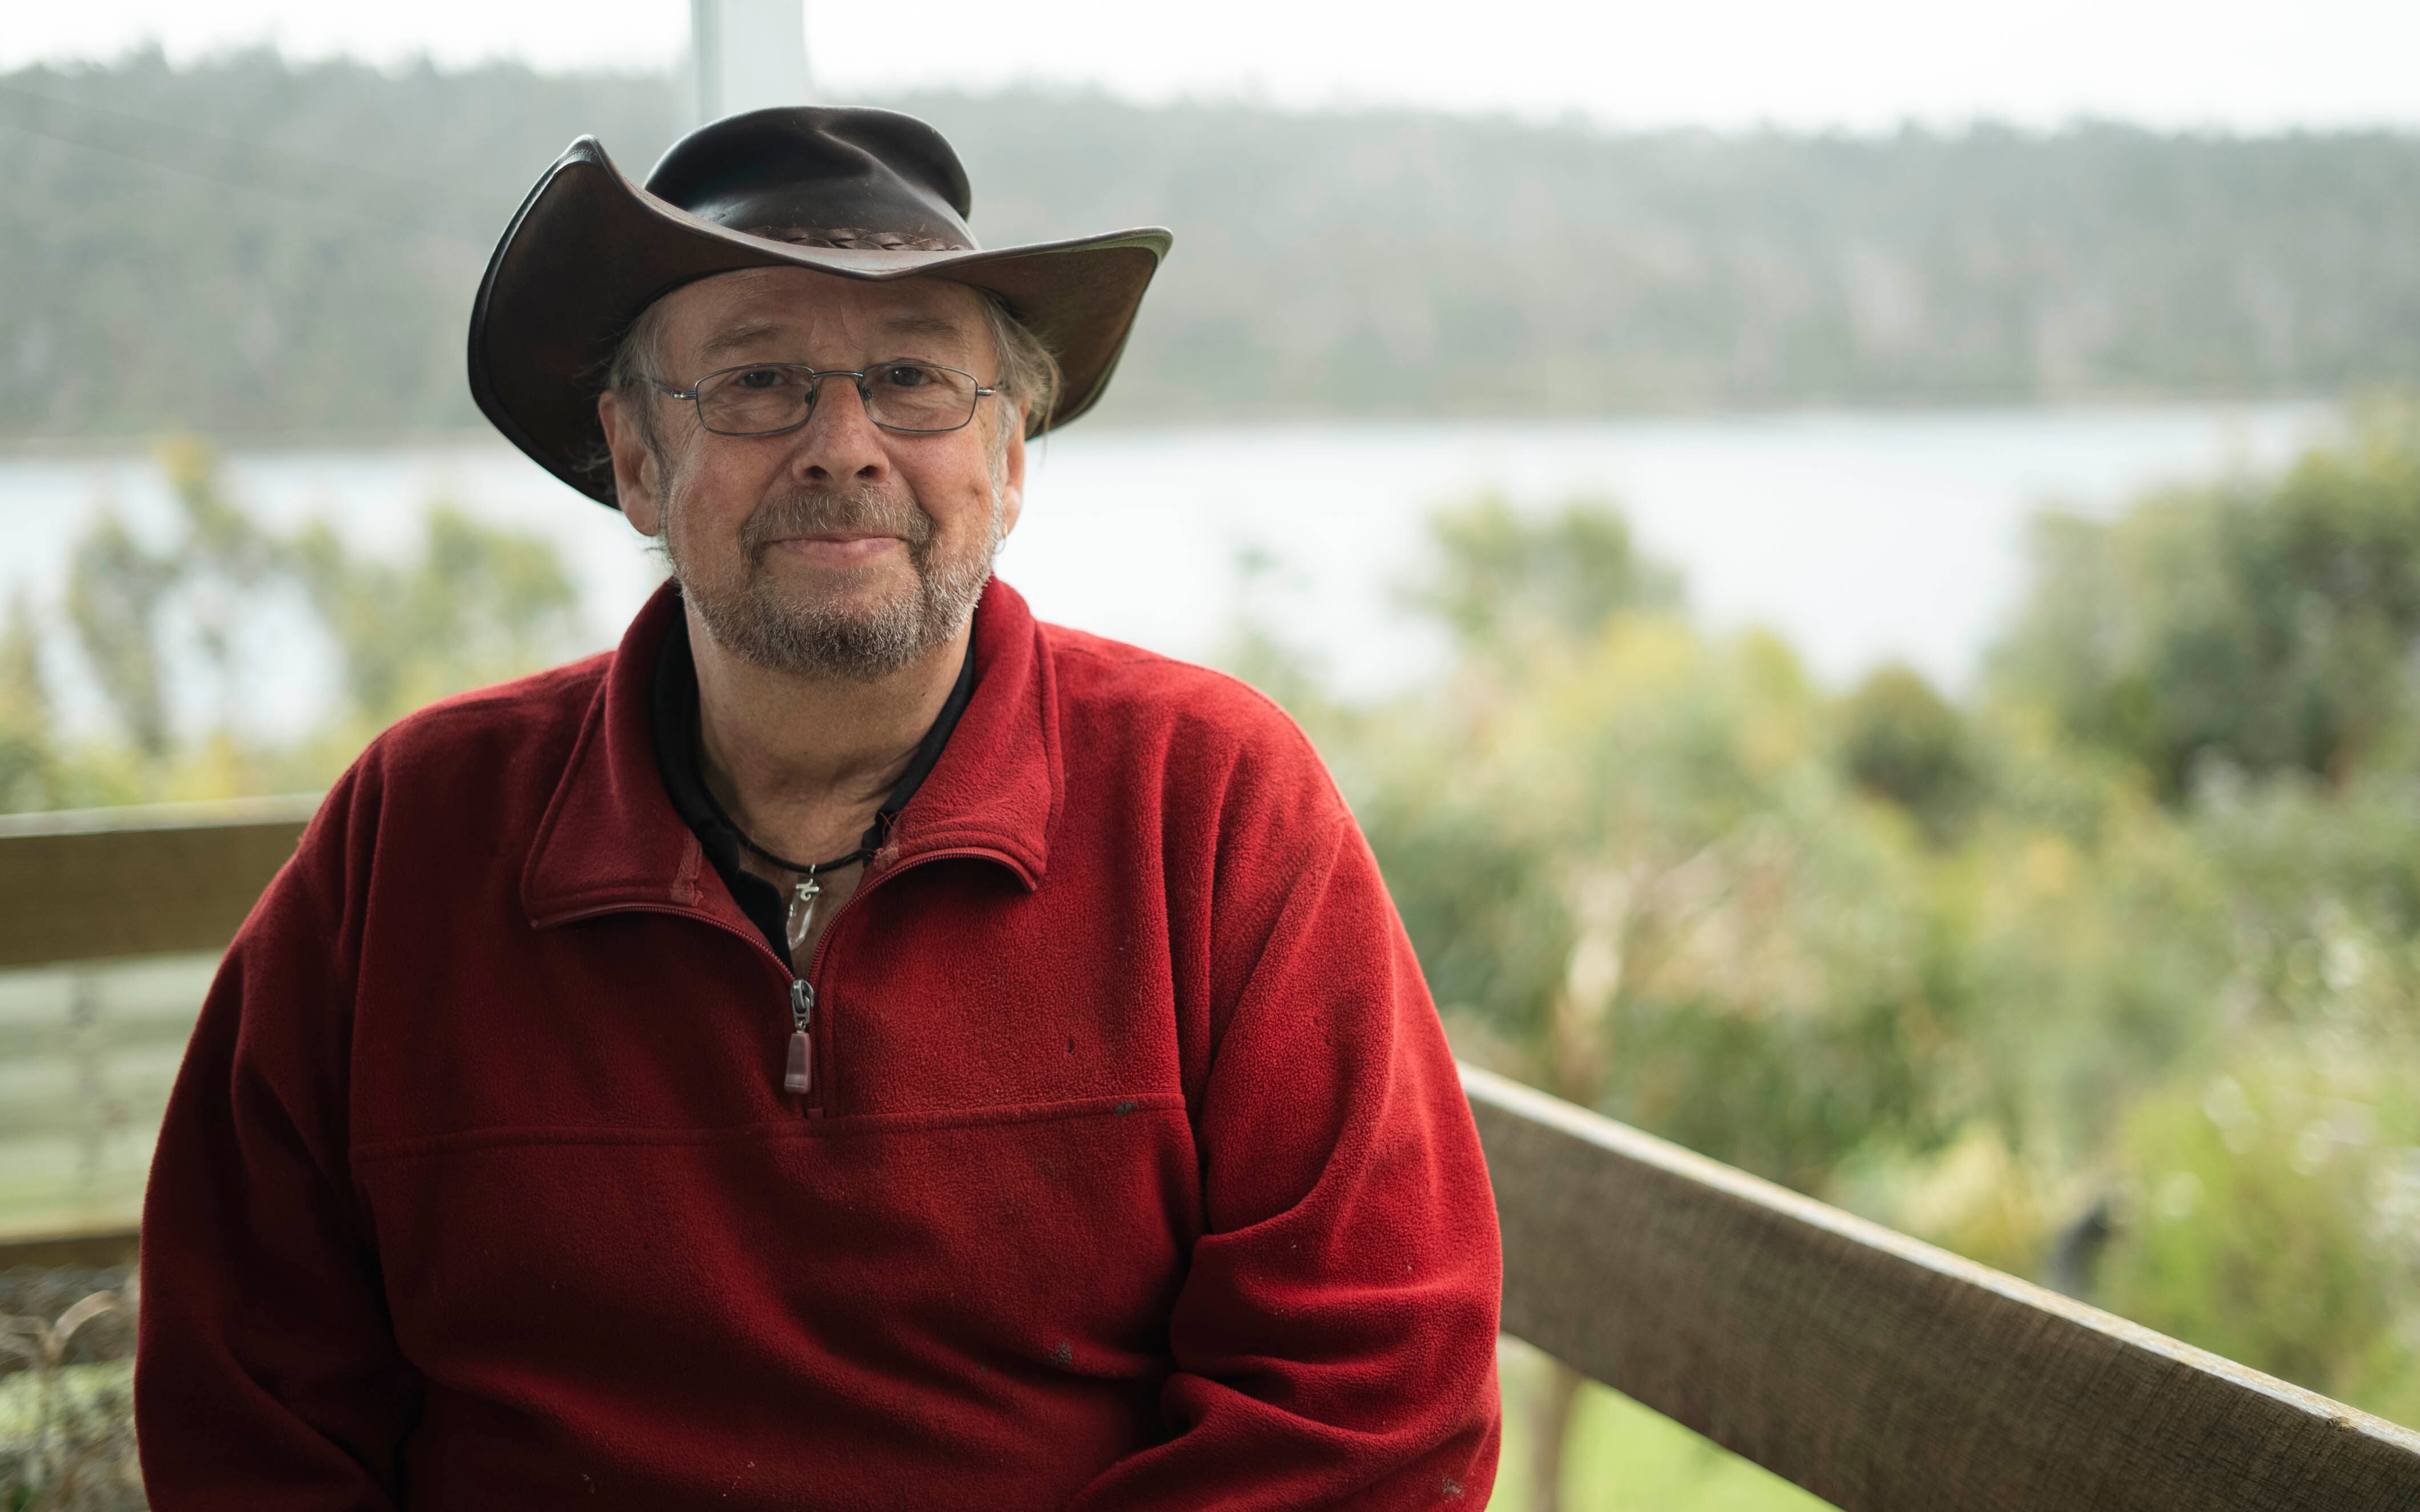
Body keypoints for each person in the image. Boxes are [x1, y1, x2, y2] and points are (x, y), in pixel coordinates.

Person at [134, 105, 1502, 1509]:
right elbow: (246, 1404)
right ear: (635, 456)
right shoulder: (411, 839)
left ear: (1011, 454)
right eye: (755, 381)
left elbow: (1369, 1404)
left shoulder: (1211, 804)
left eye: (913, 378)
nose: (841, 445)